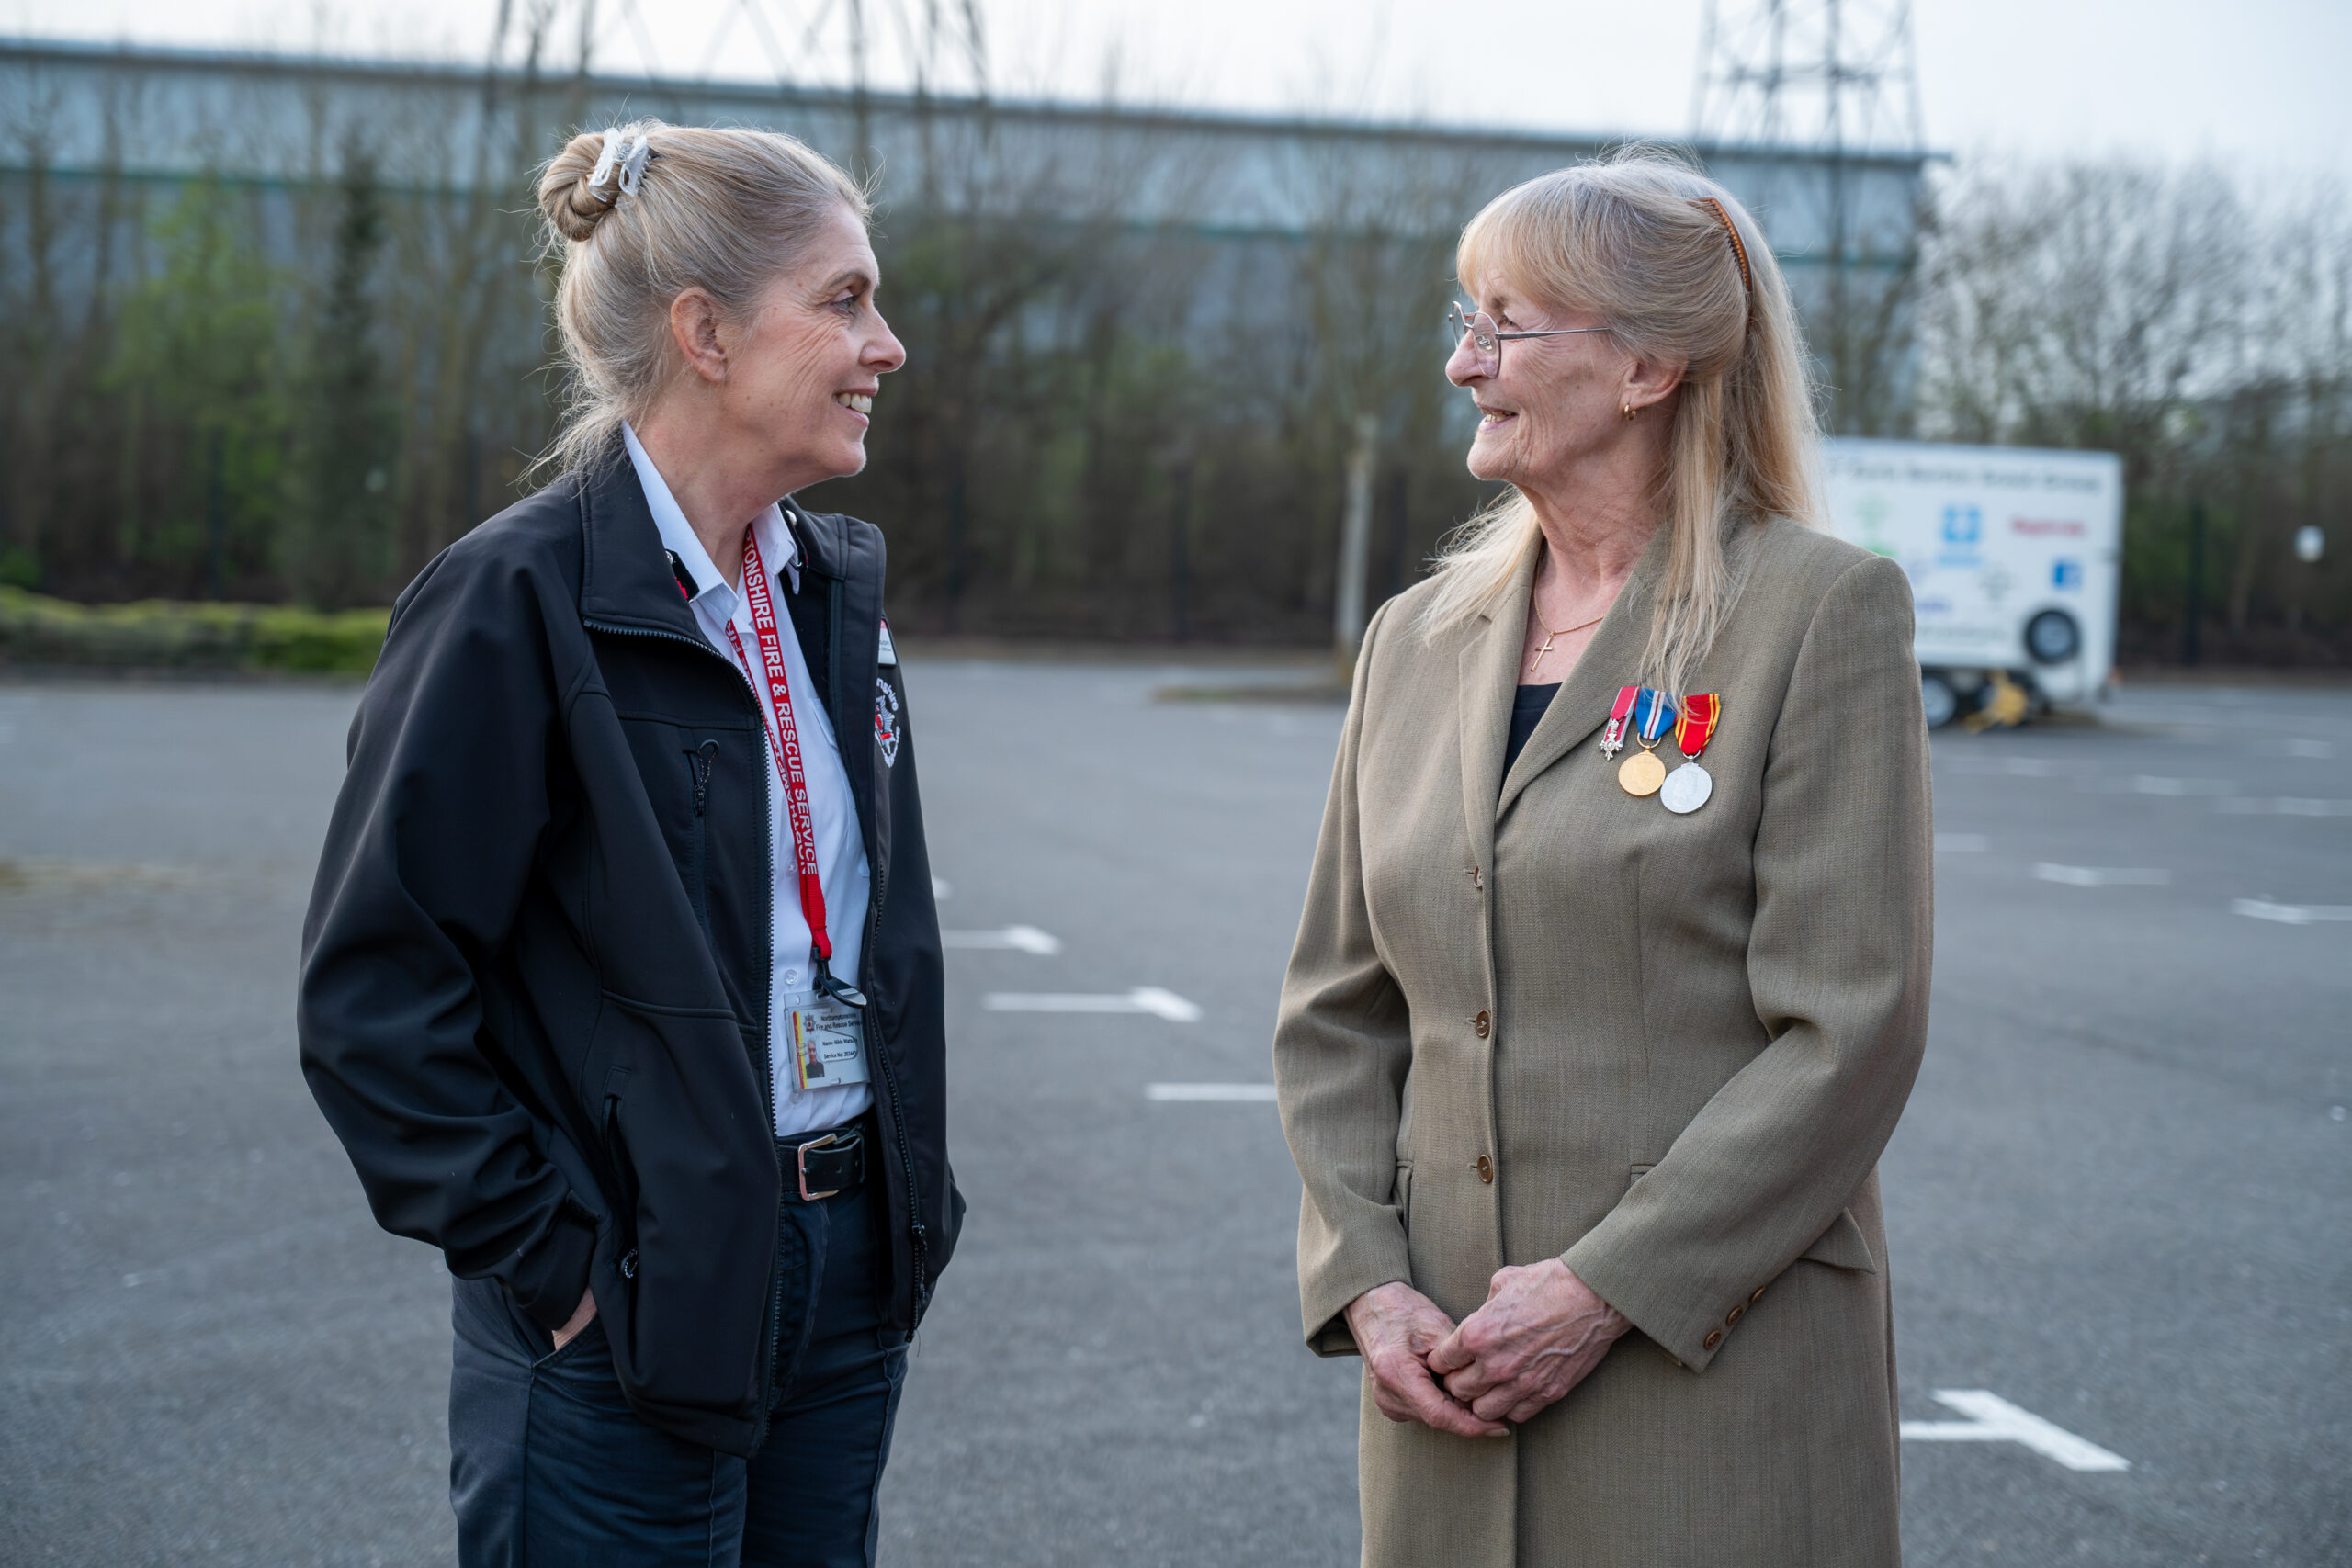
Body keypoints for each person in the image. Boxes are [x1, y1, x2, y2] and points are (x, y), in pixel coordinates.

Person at [298, 119, 961, 1567]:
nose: (887, 345)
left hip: (844, 1277)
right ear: (704, 333)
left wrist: (902, 1208)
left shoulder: (834, 595)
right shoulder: (507, 601)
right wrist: (556, 1268)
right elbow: (375, 1001)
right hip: (624, 1297)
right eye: (844, 301)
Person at [1272, 148, 1930, 1568]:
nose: (1464, 364)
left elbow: (1848, 1027)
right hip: (1450, 1372)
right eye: (1463, 320)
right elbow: (1338, 1009)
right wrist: (1370, 1283)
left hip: (1710, 1365)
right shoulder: (1416, 637)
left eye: (1503, 326)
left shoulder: (1820, 614)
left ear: (1645, 370)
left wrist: (1602, 1290)